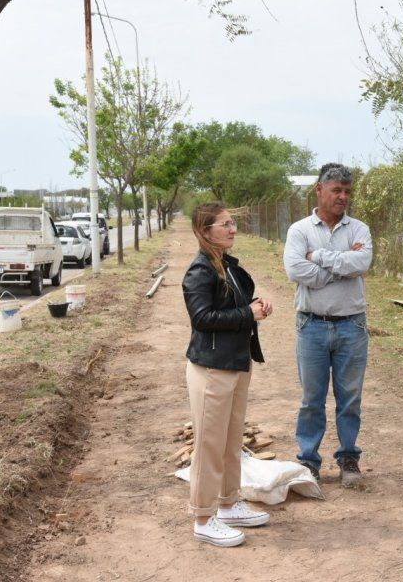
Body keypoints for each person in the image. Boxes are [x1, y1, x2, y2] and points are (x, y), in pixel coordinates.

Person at [182, 202, 273, 547]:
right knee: (209, 445)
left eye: (233, 223)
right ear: (206, 232)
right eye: (225, 224)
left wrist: (256, 307)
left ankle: (228, 503)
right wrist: (247, 314)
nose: (232, 229)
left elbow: (235, 306)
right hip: (211, 368)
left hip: (235, 363)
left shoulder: (226, 266)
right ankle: (203, 518)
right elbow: (202, 319)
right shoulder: (199, 271)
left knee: (231, 440)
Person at [283, 163, 373, 488]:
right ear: (319, 190)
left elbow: (362, 262)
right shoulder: (299, 230)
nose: (343, 197)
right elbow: (295, 270)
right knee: (312, 399)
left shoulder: (359, 229)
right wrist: (340, 265)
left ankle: (349, 459)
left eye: (347, 192)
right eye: (336, 190)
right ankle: (308, 461)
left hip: (352, 326)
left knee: (350, 398)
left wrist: (317, 257)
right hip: (312, 326)